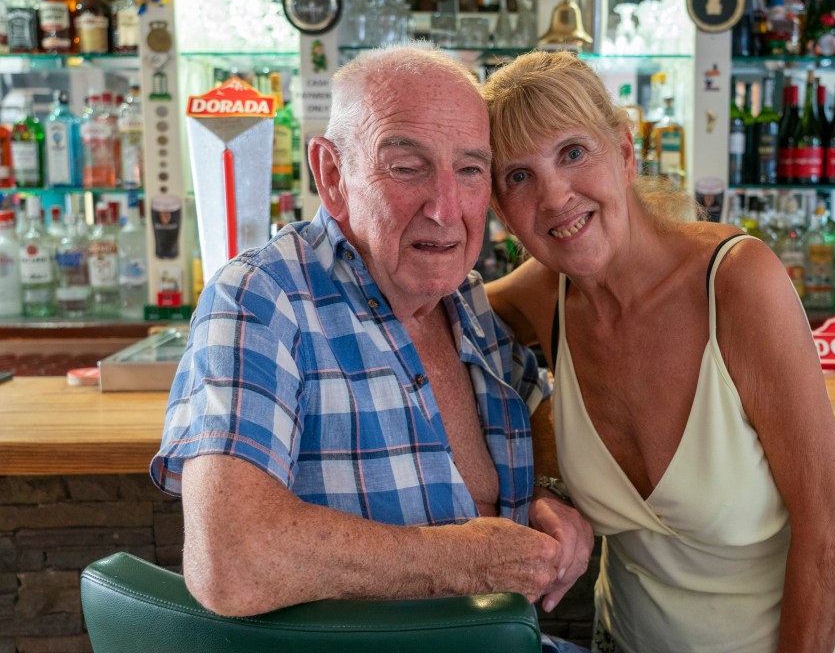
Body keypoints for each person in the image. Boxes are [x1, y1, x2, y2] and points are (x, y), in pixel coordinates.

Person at [149, 45, 593, 643]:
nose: (446, 210)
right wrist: (461, 561)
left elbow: (529, 440)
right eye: (407, 167)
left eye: (470, 170)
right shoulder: (262, 296)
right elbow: (231, 560)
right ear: (332, 174)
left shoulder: (468, 305)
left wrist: (549, 501)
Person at [481, 50, 835, 653]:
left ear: (623, 151)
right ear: (499, 209)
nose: (555, 196)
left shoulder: (736, 281)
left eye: (572, 152)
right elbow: (433, 322)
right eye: (518, 176)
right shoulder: (548, 292)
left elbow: (832, 526)